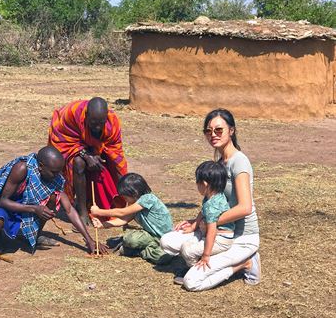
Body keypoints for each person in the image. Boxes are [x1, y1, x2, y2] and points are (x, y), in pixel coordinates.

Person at [160, 108, 261, 291]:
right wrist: (196, 222)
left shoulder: (239, 162)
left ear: (231, 130)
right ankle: (207, 258)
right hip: (218, 229)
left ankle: (245, 263)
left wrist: (210, 223)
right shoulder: (220, 161)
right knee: (167, 240)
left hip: (241, 236)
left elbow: (245, 207)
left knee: (191, 283)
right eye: (208, 131)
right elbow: (214, 201)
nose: (213, 135)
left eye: (218, 130)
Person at [0, 146, 107, 254]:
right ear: (41, 166)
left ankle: (33, 235)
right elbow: (3, 201)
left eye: (59, 171)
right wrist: (34, 209)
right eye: (54, 172)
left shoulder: (55, 178)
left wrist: (89, 240)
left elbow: (69, 209)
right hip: (4, 209)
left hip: (24, 210)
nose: (57, 175)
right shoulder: (22, 169)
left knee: (53, 198)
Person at [48, 97, 128, 224]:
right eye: (93, 122)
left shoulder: (112, 123)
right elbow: (61, 141)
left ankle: (106, 201)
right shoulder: (71, 114)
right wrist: (86, 155)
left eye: (100, 123)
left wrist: (127, 190)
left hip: (98, 149)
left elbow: (115, 152)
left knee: (113, 166)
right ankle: (82, 211)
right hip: (73, 146)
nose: (97, 127)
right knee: (79, 163)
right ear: (86, 116)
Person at [90, 173, 173, 265]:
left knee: (163, 258)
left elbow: (122, 212)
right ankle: (142, 248)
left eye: (125, 197)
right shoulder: (135, 204)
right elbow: (123, 219)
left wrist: (98, 211)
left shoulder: (148, 198)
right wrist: (103, 224)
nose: (125, 200)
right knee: (131, 239)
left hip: (165, 237)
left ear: (134, 193)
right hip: (150, 235)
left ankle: (137, 251)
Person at [178, 160, 234, 269]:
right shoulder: (212, 196)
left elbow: (211, 232)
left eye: (197, 183)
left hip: (221, 239)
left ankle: (194, 269)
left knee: (187, 251)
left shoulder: (212, 206)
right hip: (215, 234)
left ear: (204, 184)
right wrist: (193, 226)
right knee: (186, 245)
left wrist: (205, 255)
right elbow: (202, 211)